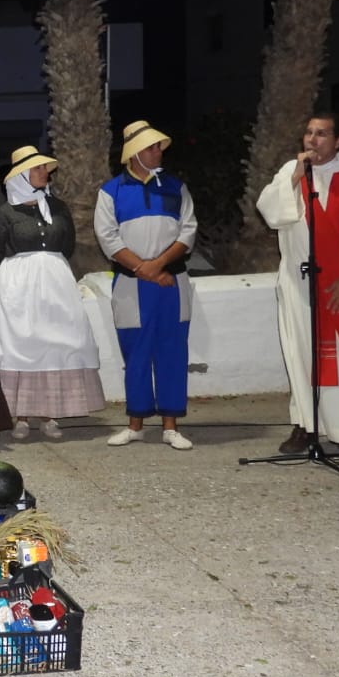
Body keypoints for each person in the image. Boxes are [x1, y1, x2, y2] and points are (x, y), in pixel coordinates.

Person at [255, 112, 339, 451]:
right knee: (303, 355)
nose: (312, 140)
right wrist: (293, 179)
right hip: (299, 283)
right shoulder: (293, 171)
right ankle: (306, 425)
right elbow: (272, 212)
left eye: (322, 134)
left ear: (338, 141)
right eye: (309, 133)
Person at [0, 146, 104, 439]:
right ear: (22, 175)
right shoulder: (6, 213)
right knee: (22, 345)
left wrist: (48, 266)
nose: (44, 173)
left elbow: (68, 244)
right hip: (18, 287)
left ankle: (50, 414)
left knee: (57, 345)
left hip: (55, 284)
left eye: (44, 169)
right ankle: (21, 415)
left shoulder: (58, 207)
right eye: (37, 169)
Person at [95, 120, 198, 450]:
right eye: (152, 147)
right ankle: (136, 424)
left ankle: (171, 426)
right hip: (130, 285)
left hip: (172, 282)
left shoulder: (176, 187)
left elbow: (188, 231)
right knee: (136, 353)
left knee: (172, 350)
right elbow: (107, 238)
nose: (159, 151)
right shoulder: (111, 191)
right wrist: (145, 269)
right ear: (135, 154)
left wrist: (158, 265)